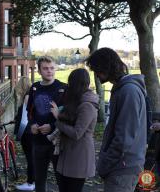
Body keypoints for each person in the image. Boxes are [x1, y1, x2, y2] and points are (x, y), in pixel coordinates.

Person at [86, 47, 147, 192]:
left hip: (123, 168)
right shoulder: (122, 89)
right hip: (122, 166)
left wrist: (105, 164)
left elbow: (123, 138)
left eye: (96, 70)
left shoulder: (128, 91)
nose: (96, 75)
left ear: (106, 67)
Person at [50, 68, 99, 192]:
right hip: (67, 153)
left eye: (70, 83)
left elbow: (77, 133)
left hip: (79, 155)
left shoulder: (87, 105)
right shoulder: (77, 100)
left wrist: (57, 119)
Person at [27, 57, 66, 192]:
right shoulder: (34, 88)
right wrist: (32, 125)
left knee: (61, 179)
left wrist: (52, 126)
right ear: (39, 71)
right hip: (38, 142)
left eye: (51, 68)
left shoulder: (63, 88)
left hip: (57, 142)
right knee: (39, 180)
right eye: (45, 68)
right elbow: (29, 111)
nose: (49, 71)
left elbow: (69, 115)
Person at [13, 76, 35, 191]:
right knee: (32, 156)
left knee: (30, 157)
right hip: (30, 131)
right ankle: (33, 181)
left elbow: (25, 119)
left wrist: (18, 134)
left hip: (27, 132)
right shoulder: (30, 95)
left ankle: (31, 182)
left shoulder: (27, 97)